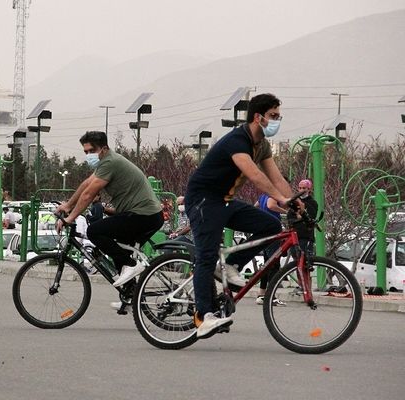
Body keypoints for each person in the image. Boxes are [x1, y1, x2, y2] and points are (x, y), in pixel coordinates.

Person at [185, 93, 300, 338]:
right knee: (206, 257)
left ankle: (231, 265)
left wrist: (295, 202)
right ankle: (203, 316)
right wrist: (280, 199)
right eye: (273, 116)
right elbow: (256, 176)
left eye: (279, 115)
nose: (277, 120)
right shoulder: (237, 140)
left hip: (224, 201)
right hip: (203, 200)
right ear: (258, 117)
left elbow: (277, 178)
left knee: (270, 225)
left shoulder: (262, 145)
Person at [55, 131, 163, 292]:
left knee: (94, 231)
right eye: (86, 152)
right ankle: (131, 293)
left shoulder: (110, 162)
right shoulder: (105, 162)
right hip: (142, 214)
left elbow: (88, 194)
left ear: (104, 149)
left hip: (144, 215)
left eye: (92, 151)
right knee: (118, 247)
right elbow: (86, 184)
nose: (88, 155)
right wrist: (68, 205)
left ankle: (132, 265)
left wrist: (69, 218)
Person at [253, 192, 286, 306]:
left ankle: (261, 294)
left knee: (267, 264)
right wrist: (285, 212)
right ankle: (272, 296)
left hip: (264, 229)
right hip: (273, 229)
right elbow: (271, 205)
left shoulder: (263, 195)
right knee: (274, 264)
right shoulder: (273, 194)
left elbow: (256, 205)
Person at [287, 179, 318, 258]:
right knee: (296, 258)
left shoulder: (312, 203)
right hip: (295, 235)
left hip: (305, 236)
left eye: (304, 188)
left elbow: (310, 217)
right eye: (300, 188)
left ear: (309, 189)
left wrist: (299, 215)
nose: (301, 190)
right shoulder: (295, 201)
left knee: (304, 259)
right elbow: (290, 216)